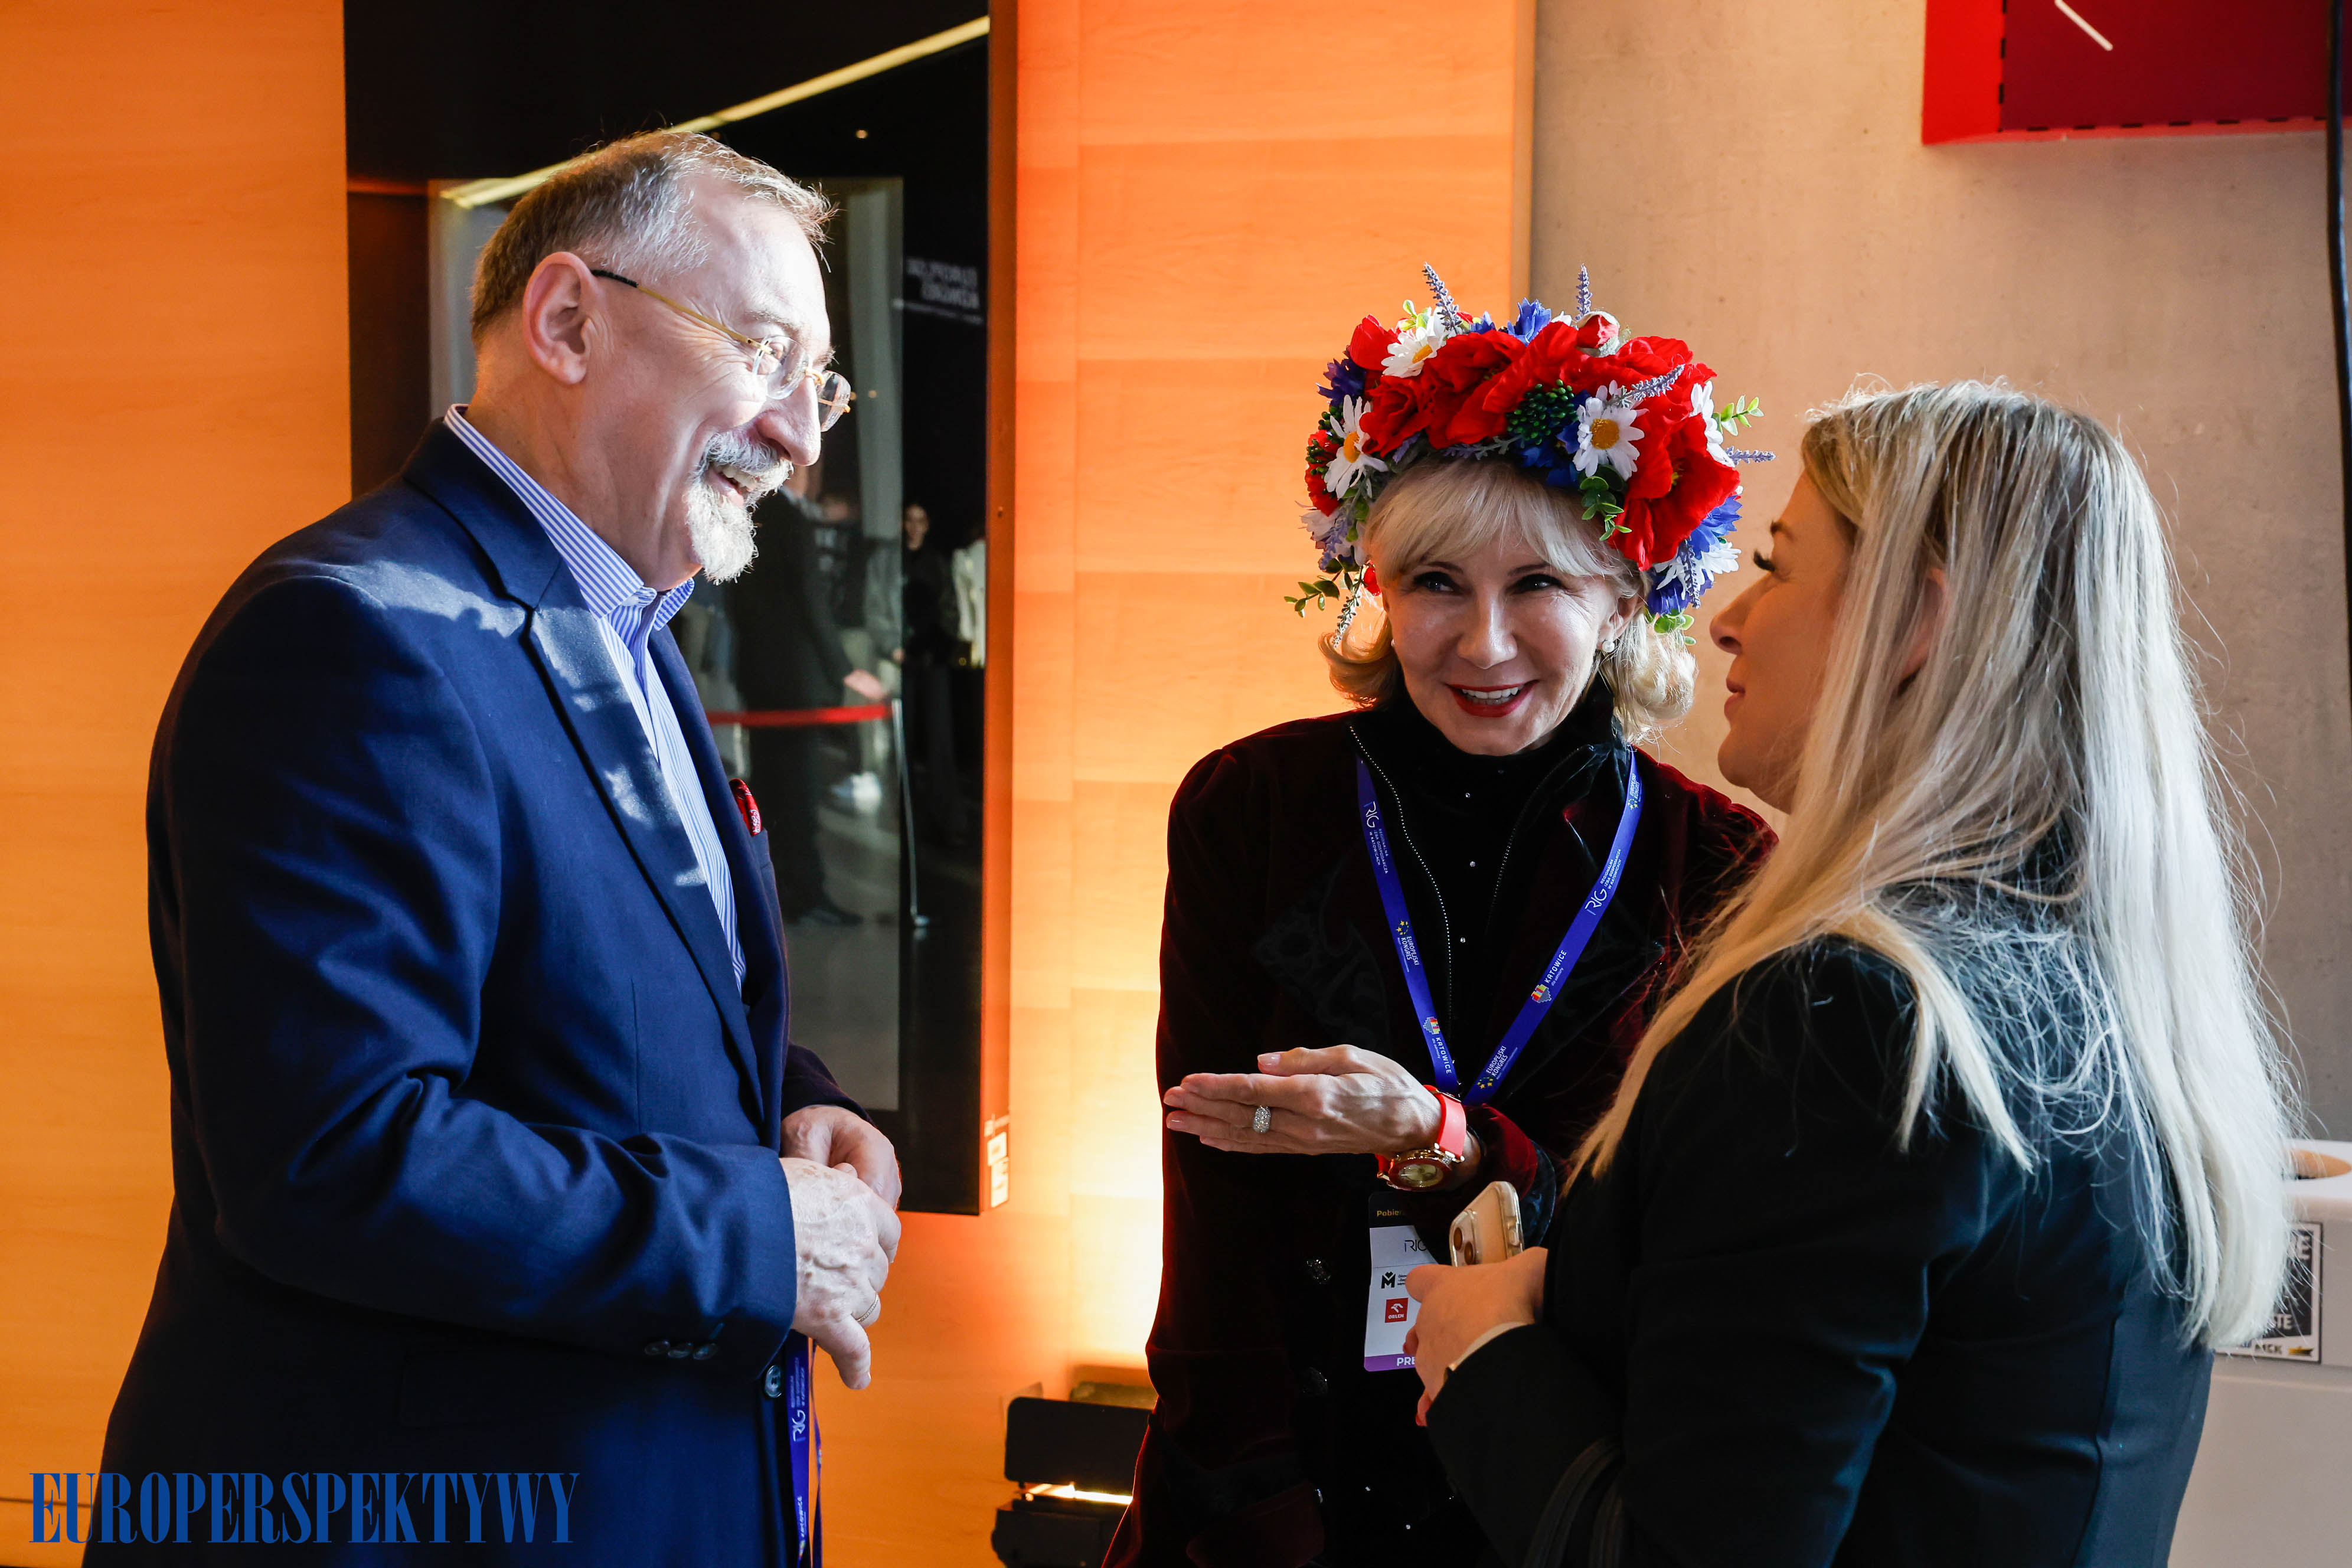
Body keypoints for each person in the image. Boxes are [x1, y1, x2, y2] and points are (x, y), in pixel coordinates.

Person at [94, 131, 901, 1563]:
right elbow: (334, 1153)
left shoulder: (625, 620)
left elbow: (597, 986)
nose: (800, 434)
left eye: (819, 382)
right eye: (766, 354)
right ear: (570, 321)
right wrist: (755, 1234)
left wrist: (793, 1098)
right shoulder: (354, 633)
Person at [1405, 383, 2297, 1568]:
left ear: (1912, 621)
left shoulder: (1846, 1016)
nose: (1727, 618)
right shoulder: (2097, 984)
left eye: (1776, 565)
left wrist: (1488, 1358)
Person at [1109, 273, 1776, 1567]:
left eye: (1537, 583)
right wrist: (1251, 1494)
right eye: (1432, 582)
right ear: (1375, 586)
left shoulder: (1721, 861)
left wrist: (1448, 1137)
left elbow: (1680, 1233)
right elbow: (1208, 1187)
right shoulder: (1254, 805)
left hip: (1561, 1474)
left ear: (1624, 596)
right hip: (1273, 1475)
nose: (1481, 642)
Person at [734, 479, 890, 924]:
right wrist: (844, 668)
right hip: (793, 681)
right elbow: (810, 598)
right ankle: (803, 894)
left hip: (758, 671)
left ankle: (771, 894)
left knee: (766, 791)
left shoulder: (751, 513)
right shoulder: (790, 520)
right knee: (797, 796)